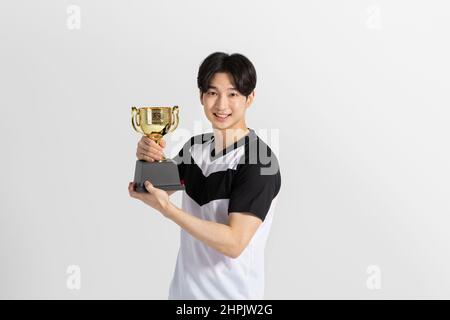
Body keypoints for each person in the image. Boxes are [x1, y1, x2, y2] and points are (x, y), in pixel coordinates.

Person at [128, 52, 281, 299]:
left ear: (249, 98)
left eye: (232, 94)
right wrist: (147, 155)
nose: (221, 105)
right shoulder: (194, 147)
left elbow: (234, 243)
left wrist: (169, 211)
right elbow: (152, 188)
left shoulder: (260, 162)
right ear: (201, 97)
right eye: (212, 93)